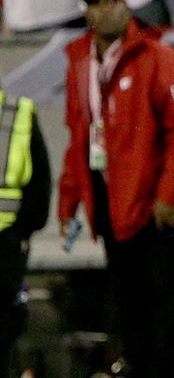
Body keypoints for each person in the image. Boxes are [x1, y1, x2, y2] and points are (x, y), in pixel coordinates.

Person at [58, 0, 174, 378]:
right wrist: (69, 201)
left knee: (167, 317)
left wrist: (169, 195)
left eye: (111, 1)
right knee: (130, 311)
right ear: (85, 10)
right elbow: (78, 136)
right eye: (95, 2)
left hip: (157, 211)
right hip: (110, 203)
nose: (103, 10)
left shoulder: (159, 57)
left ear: (128, 6)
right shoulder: (79, 62)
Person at [0, 88, 50, 376]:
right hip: (7, 245)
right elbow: (40, 184)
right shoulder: (17, 115)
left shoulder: (20, 114)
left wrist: (22, 232)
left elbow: (40, 185)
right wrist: (21, 233)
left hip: (6, 246)